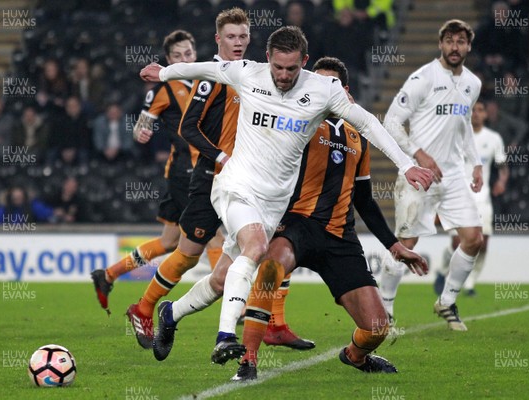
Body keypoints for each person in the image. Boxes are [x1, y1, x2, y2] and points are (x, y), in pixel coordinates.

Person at [141, 26, 433, 363]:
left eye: (291, 69)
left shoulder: (323, 90)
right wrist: (164, 72)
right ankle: (225, 338)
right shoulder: (248, 72)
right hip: (236, 186)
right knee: (256, 248)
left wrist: (406, 165)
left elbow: (367, 123)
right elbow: (204, 67)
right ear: (268, 59)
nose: (282, 75)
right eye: (278, 67)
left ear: (304, 62)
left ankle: (171, 314)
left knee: (223, 280)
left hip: (273, 203)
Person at [233, 57, 428, 380]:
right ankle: (248, 360)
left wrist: (394, 246)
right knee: (269, 269)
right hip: (297, 224)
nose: (320, 91)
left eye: (330, 85)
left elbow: (363, 199)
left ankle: (354, 356)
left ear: (345, 91)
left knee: (378, 328)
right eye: (314, 83)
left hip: (340, 236)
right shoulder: (296, 120)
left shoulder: (357, 135)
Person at [132, 8, 311, 357]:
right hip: (212, 177)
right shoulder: (212, 78)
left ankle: (271, 323)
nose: (239, 42)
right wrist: (219, 156)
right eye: (231, 37)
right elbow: (187, 128)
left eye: (243, 36)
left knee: (264, 248)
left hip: (251, 183)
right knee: (186, 254)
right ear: (218, 39)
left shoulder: (257, 76)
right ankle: (145, 307)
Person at [90, 30, 220, 327]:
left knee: (169, 241)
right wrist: (142, 132)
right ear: (169, 60)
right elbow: (140, 127)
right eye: (178, 56)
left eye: (188, 53)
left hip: (199, 169)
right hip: (186, 172)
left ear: (194, 52)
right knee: (213, 233)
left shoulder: (208, 78)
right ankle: (229, 302)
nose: (185, 59)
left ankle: (108, 274)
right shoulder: (162, 88)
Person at [379, 19, 483, 331]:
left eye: (461, 41)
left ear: (468, 46)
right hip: (418, 174)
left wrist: (475, 162)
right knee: (405, 243)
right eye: (450, 40)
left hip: (451, 176)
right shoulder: (422, 77)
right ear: (441, 44)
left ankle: (447, 301)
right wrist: (418, 153)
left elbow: (463, 125)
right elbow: (392, 120)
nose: (455, 47)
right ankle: (385, 308)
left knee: (474, 238)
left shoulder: (473, 83)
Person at [435, 100, 509, 297]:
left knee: (482, 244)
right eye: (473, 110)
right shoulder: (457, 137)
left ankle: (470, 283)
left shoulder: (494, 139)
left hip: (482, 198)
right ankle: (444, 271)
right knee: (457, 243)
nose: (476, 113)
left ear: (486, 115)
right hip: (458, 197)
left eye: (480, 110)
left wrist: (501, 181)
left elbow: (502, 166)